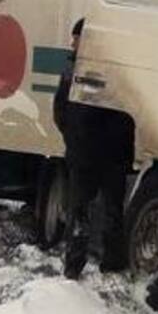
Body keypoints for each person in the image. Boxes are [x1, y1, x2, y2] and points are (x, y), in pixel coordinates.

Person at [51, 19, 132, 280]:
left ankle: (73, 267)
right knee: (112, 210)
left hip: (84, 154)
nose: (72, 43)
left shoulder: (74, 71)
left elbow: (60, 111)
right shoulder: (123, 71)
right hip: (114, 155)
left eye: (76, 38)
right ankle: (112, 265)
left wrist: (73, 139)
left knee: (79, 211)